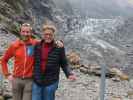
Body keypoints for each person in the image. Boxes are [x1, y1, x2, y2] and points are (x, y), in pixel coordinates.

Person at [1, 23, 63, 100]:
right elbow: (4, 60)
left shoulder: (35, 44)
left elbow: (48, 41)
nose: (25, 34)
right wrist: (7, 74)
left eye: (27, 32)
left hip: (29, 80)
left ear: (31, 33)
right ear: (20, 32)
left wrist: (58, 42)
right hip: (16, 79)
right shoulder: (14, 46)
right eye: (23, 31)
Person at [32, 24, 76, 100]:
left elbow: (64, 63)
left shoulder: (59, 47)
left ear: (53, 35)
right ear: (43, 34)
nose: (48, 36)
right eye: (46, 34)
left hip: (51, 81)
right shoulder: (37, 45)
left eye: (50, 34)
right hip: (37, 79)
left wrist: (69, 73)